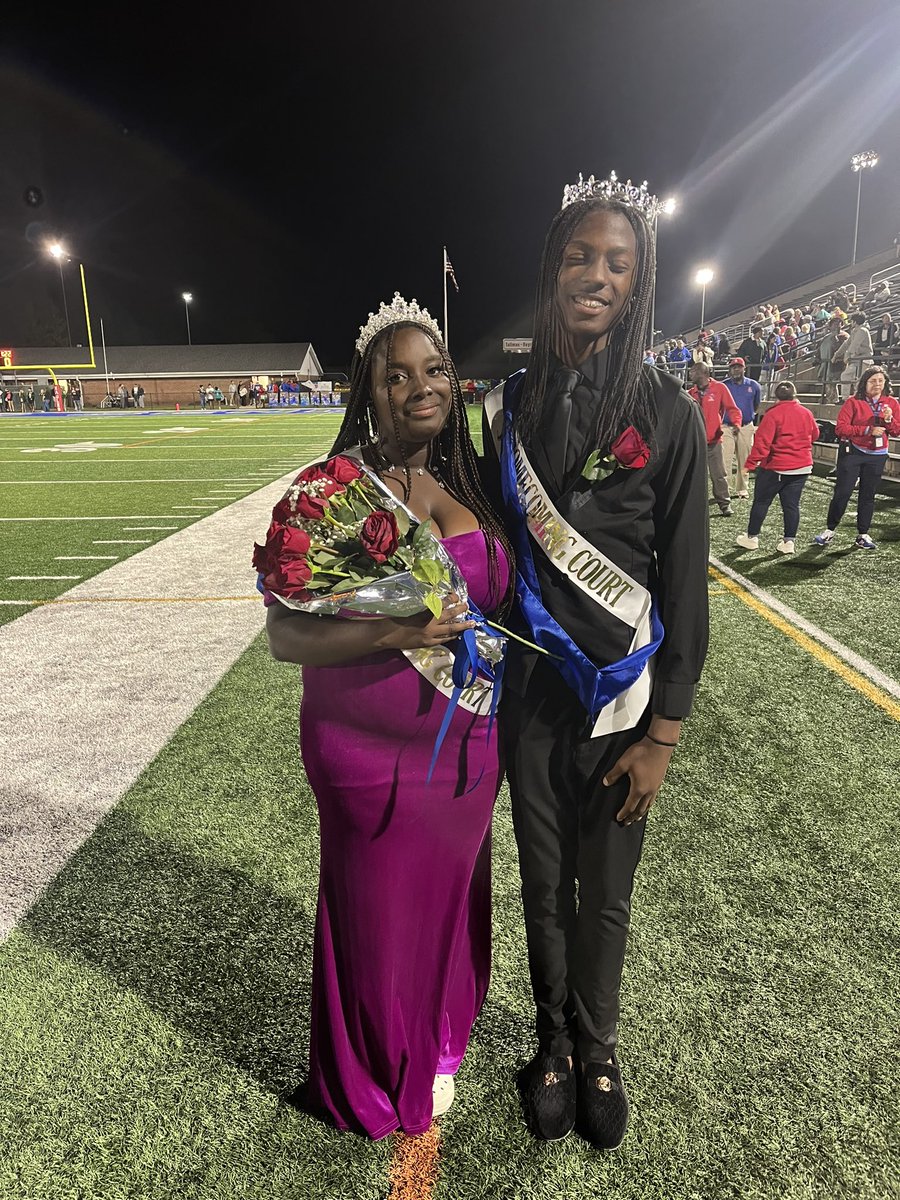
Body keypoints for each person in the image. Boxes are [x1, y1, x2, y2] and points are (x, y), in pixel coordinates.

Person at [481, 174, 709, 1150]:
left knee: (604, 894)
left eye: (618, 262)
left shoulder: (669, 412)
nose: (597, 275)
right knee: (543, 884)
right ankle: (553, 1046)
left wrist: (664, 734)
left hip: (623, 707)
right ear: (554, 269)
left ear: (638, 280)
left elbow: (686, 584)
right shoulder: (508, 405)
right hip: (534, 699)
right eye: (581, 256)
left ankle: (600, 1048)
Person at [262, 293, 515, 1139]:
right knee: (377, 915)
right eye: (395, 375)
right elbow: (285, 637)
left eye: (433, 369)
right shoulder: (332, 492)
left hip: (468, 744)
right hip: (366, 746)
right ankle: (373, 1070)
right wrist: (398, 628)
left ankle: (437, 1039)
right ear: (366, 393)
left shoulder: (471, 480)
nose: (420, 387)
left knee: (446, 897)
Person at [813, 366, 900, 551]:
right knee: (842, 492)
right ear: (864, 383)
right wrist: (867, 430)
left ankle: (863, 534)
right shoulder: (853, 402)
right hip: (854, 453)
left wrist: (889, 420)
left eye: (881, 381)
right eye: (873, 381)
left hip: (877, 455)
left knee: (868, 495)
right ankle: (829, 530)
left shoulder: (891, 403)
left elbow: (896, 431)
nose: (877, 384)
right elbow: (841, 429)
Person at [735, 380, 820, 554]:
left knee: (761, 502)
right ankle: (789, 542)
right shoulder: (806, 413)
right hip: (802, 467)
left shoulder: (773, 414)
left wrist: (749, 465)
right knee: (791, 506)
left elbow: (762, 443)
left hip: (777, 467)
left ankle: (752, 538)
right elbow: (815, 435)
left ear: (776, 396)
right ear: (795, 395)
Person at [688, 360, 742, 516]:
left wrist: (736, 423)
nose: (690, 374)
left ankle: (724, 504)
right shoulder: (690, 393)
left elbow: (733, 408)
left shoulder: (719, 388)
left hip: (714, 440)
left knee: (719, 474)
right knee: (694, 476)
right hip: (696, 442)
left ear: (703, 373)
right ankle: (694, 504)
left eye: (694, 371)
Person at [721, 357, 761, 499]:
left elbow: (756, 405)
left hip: (745, 426)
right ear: (730, 370)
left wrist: (747, 417)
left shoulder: (754, 385)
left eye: (739, 367)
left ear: (744, 368)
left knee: (744, 458)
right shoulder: (723, 386)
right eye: (733, 367)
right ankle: (724, 490)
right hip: (726, 426)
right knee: (725, 459)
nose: (736, 369)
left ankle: (742, 488)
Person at [837, 313, 873, 401]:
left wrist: (847, 355)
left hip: (864, 359)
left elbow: (854, 345)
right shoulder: (855, 331)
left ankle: (859, 399)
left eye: (852, 321)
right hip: (856, 359)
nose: (851, 323)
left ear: (855, 322)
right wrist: (836, 354)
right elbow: (847, 343)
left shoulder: (862, 330)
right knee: (847, 376)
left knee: (860, 380)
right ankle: (846, 398)